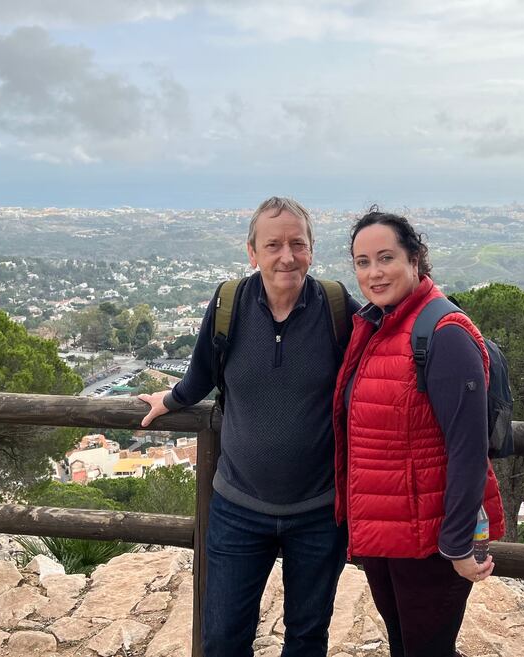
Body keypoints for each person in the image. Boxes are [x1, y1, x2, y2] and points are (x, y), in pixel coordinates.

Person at [139, 196, 359, 657]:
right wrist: (171, 400)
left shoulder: (338, 309)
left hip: (319, 510)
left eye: (297, 243)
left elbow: (384, 360)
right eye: (273, 244)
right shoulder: (228, 305)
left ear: (312, 250)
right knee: (223, 638)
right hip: (237, 508)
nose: (286, 256)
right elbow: (201, 374)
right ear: (252, 252)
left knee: (306, 638)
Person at [333, 209, 505, 657]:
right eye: (362, 262)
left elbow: (468, 451)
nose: (374, 272)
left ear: (415, 259)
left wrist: (457, 542)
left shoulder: (443, 334)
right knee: (404, 647)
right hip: (387, 534)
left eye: (385, 257)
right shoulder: (377, 324)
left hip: (431, 541)